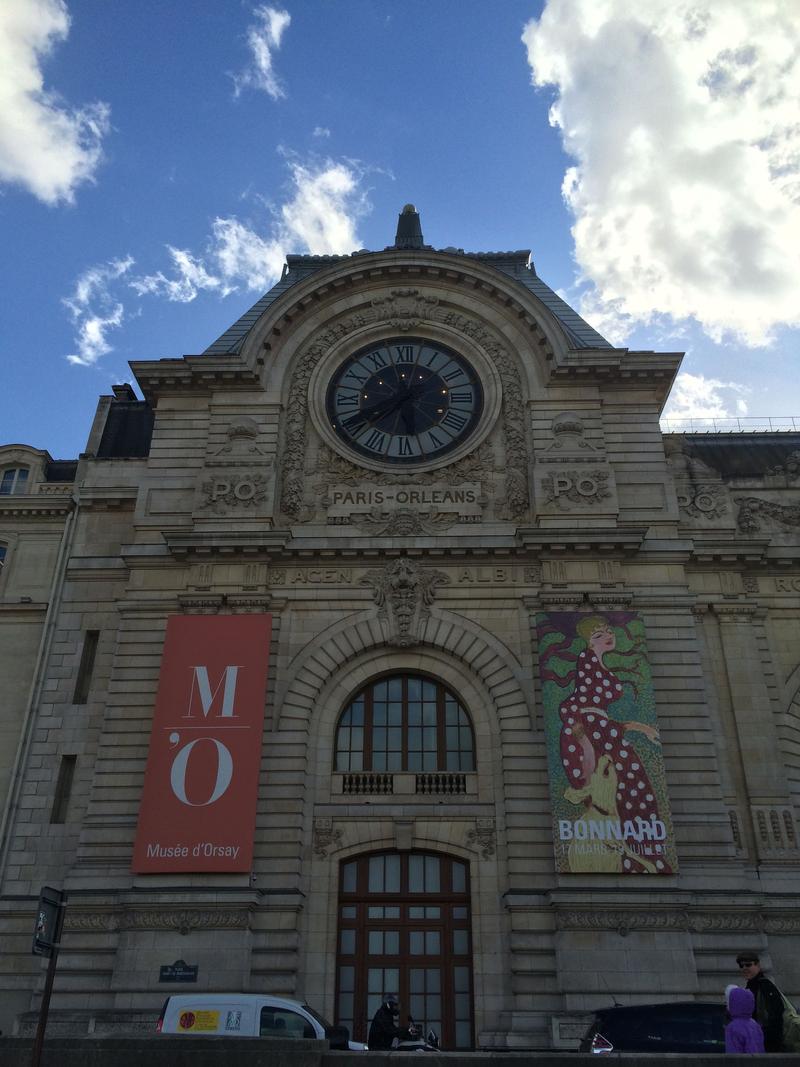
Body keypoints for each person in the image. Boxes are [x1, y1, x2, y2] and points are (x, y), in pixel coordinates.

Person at [557, 615, 670, 873]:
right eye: (600, 634)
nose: (609, 635)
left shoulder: (598, 663)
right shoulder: (586, 661)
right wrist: (584, 742)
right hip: (594, 736)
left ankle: (638, 856)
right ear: (588, 642)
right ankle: (634, 859)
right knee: (626, 792)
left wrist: (640, 727)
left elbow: (597, 713)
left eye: (608, 630)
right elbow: (579, 708)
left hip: (604, 732)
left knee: (635, 791)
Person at [736, 952, 784, 1052]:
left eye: (748, 964)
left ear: (757, 965)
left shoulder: (765, 986)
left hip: (767, 1043)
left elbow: (776, 1014)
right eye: (741, 965)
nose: (744, 968)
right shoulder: (750, 986)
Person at [725, 985, 765, 1053]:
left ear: (732, 1003)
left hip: (742, 1063)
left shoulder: (732, 1028)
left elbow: (732, 1054)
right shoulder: (755, 1025)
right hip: (759, 1062)